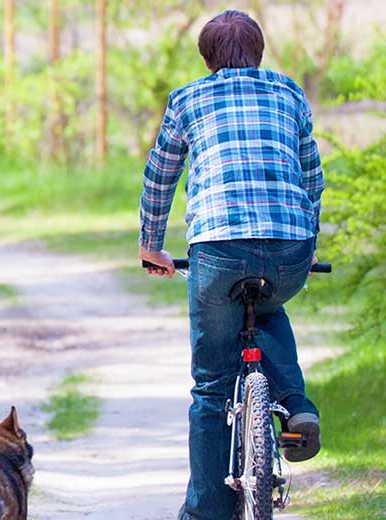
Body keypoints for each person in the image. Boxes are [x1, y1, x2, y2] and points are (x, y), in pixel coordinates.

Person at [137, 10, 324, 520]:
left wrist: (152, 245)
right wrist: (304, 246)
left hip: (218, 248)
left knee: (212, 386)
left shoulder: (189, 98)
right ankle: (296, 403)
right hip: (290, 244)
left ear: (207, 59)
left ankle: (206, 512)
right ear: (259, 52)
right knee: (265, 308)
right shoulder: (289, 93)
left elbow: (161, 177)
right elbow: (312, 176)